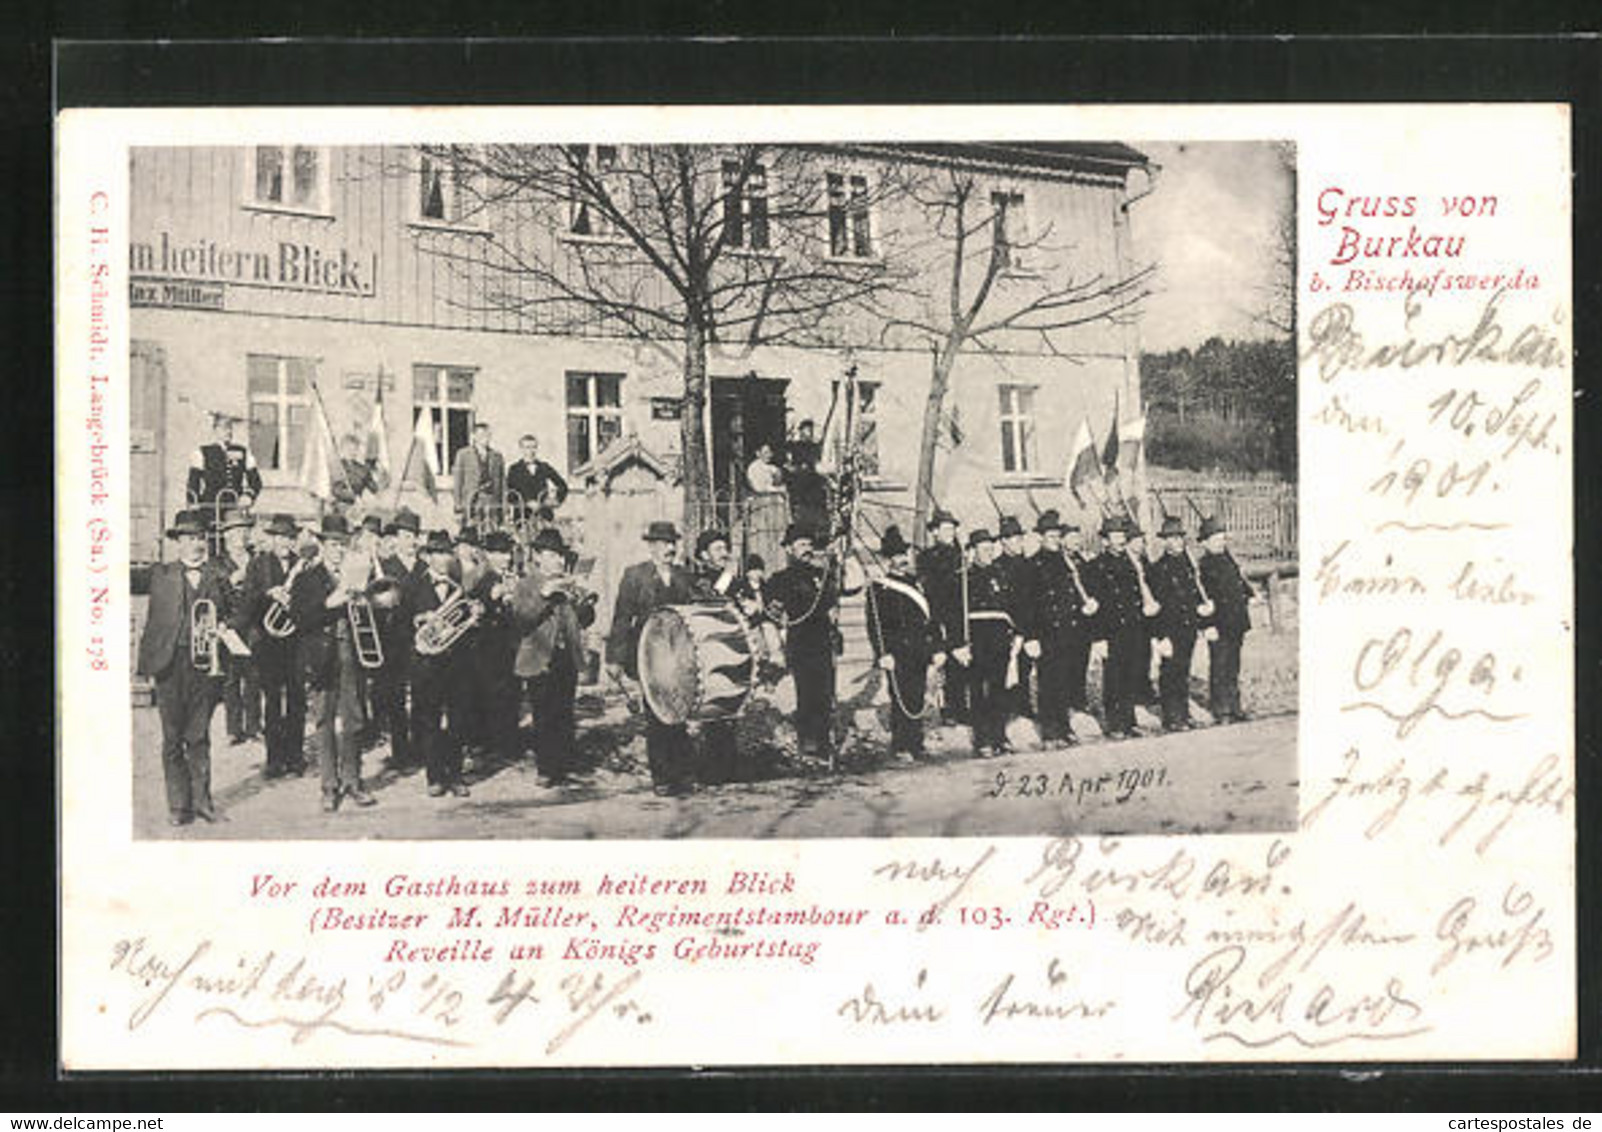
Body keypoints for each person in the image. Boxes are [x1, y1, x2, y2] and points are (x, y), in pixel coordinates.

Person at [137, 510, 232, 826]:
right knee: (171, 737)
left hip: (203, 664)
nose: (196, 543)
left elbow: (236, 612)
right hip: (169, 664)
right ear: (178, 543)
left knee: (199, 735)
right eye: (189, 538)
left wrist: (225, 626)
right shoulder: (160, 574)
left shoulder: (217, 575)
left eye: (200, 537)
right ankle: (179, 806)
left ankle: (203, 802)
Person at [290, 514, 376, 812]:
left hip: (352, 654)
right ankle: (329, 786)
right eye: (332, 544)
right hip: (321, 656)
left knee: (353, 719)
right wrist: (329, 603)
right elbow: (299, 619)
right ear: (322, 545)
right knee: (324, 720)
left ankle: (353, 781)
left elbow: (373, 616)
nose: (338, 550)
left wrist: (367, 605)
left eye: (342, 544)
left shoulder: (359, 577)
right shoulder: (306, 579)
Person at [606, 521, 698, 794]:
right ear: (652, 546)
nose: (669, 548)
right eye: (663, 543)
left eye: (672, 543)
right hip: (648, 654)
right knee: (657, 713)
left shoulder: (684, 576)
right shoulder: (635, 576)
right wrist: (614, 658)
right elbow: (622, 618)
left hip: (679, 652)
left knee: (679, 711)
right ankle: (662, 777)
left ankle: (682, 773)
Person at [512, 527, 596, 785]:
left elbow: (584, 621)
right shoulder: (526, 584)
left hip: (565, 656)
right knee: (544, 713)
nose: (558, 560)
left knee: (563, 711)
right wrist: (544, 595)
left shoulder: (566, 582)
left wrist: (585, 601)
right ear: (537, 556)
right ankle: (546, 769)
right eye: (551, 555)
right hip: (539, 656)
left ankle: (563, 765)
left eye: (559, 555)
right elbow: (522, 619)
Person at [234, 513, 308, 778]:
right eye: (280, 537)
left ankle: (296, 756)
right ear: (272, 539)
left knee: (298, 700)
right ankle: (275, 759)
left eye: (289, 538)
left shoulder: (303, 565)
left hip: (296, 641)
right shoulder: (258, 565)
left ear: (294, 540)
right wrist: (269, 594)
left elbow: (311, 602)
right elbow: (247, 602)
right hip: (268, 641)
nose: (285, 543)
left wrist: (296, 602)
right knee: (273, 701)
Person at [765, 523, 843, 763]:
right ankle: (808, 746)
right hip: (801, 644)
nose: (807, 549)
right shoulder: (781, 579)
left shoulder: (823, 575)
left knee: (826, 693)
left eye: (809, 544)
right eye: (801, 545)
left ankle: (823, 744)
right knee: (807, 695)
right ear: (789, 549)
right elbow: (772, 613)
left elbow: (841, 593)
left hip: (823, 643)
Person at [865, 526, 943, 762]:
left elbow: (931, 619)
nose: (902, 559)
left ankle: (916, 743)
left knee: (917, 696)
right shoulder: (879, 587)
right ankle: (900, 745)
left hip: (919, 648)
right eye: (896, 556)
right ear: (888, 560)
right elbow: (875, 625)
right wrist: (882, 653)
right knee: (900, 697)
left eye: (903, 555)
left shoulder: (917, 584)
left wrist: (937, 647)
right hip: (896, 652)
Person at [405, 529, 473, 798]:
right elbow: (401, 622)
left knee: (458, 720)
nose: (444, 559)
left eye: (447, 553)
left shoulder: (459, 583)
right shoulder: (413, 584)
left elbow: (465, 617)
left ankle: (455, 775)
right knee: (430, 721)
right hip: (427, 664)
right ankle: (434, 776)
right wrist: (419, 618)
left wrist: (474, 614)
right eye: (438, 553)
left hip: (457, 663)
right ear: (428, 556)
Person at [1030, 510, 1094, 747]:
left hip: (1069, 632)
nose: (1055, 540)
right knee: (1048, 682)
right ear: (1041, 538)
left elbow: (1073, 594)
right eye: (1050, 536)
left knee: (1065, 680)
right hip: (1046, 633)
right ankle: (1050, 731)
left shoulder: (1065, 563)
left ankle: (1064, 726)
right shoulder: (1033, 564)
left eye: (1058, 536)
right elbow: (1029, 604)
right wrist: (1031, 637)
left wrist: (1084, 607)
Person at [952, 528, 1014, 758]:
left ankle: (1000, 736)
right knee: (978, 690)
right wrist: (958, 644)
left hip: (999, 638)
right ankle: (982, 739)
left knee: (999, 689)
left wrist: (1015, 634)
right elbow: (953, 614)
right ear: (973, 551)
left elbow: (1011, 606)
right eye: (983, 549)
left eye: (991, 548)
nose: (988, 553)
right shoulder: (964, 578)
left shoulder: (1001, 574)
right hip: (976, 639)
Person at [1088, 514, 1147, 739]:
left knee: (1131, 675)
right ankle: (1114, 724)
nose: (1121, 540)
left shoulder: (1130, 563)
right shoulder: (1096, 566)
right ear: (1105, 540)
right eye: (1115, 536)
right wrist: (1098, 637)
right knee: (1113, 677)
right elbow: (1094, 606)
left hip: (1133, 629)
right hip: (1110, 632)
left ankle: (1129, 720)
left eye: (1122, 535)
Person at [1146, 516, 1207, 732]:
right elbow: (1156, 606)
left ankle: (1183, 712)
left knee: (1183, 670)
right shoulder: (1158, 568)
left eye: (1180, 538)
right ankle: (1171, 716)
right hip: (1169, 629)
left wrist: (1201, 616)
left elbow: (1194, 594)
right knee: (1170, 672)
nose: (1178, 542)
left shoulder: (1188, 565)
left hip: (1187, 626)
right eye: (1173, 538)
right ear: (1165, 542)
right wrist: (1160, 636)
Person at [373, 508, 422, 769]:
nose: (410, 541)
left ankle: (421, 747)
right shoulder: (387, 567)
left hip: (421, 640)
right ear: (397, 538)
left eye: (413, 535)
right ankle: (401, 753)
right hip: (394, 641)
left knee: (422, 695)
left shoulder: (425, 566)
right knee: (396, 698)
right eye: (405, 535)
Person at [473, 529, 525, 764]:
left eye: (507, 553)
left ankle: (505, 742)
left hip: (507, 646)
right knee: (493, 694)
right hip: (489, 646)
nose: (505, 558)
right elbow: (486, 597)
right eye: (500, 553)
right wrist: (503, 592)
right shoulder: (486, 578)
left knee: (510, 693)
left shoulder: (506, 577)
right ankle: (494, 744)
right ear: (489, 555)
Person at [1198, 515, 1255, 724]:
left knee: (1233, 665)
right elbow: (1201, 597)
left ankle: (1234, 706)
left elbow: (1240, 586)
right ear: (1205, 543)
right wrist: (1207, 625)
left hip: (1235, 622)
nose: (1221, 542)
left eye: (1222, 539)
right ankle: (1221, 709)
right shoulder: (1203, 566)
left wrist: (1249, 595)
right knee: (1219, 665)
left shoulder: (1228, 561)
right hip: (1219, 624)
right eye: (1215, 539)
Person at [214, 507, 261, 745]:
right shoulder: (218, 563)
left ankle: (254, 726)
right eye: (235, 532)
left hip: (254, 625)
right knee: (231, 679)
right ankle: (234, 729)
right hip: (230, 626)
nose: (241, 537)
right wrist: (232, 580)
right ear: (226, 536)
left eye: (244, 531)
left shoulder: (257, 559)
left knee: (253, 677)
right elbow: (213, 592)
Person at [918, 508, 966, 725]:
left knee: (961, 663)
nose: (950, 533)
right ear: (935, 532)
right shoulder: (927, 557)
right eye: (946, 529)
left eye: (952, 529)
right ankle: (945, 709)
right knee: (941, 660)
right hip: (938, 614)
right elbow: (930, 589)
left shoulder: (961, 555)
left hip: (960, 614)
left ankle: (960, 707)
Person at [996, 514, 1039, 723]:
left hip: (1029, 627)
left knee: (1025, 668)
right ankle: (1005, 710)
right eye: (1014, 539)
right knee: (1004, 671)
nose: (1019, 542)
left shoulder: (1029, 565)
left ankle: (1023, 706)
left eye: (1020, 538)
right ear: (1003, 541)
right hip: (1007, 629)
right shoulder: (997, 567)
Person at [187, 412, 262, 507]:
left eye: (230, 428)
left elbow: (256, 482)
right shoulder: (202, 453)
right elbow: (193, 484)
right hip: (210, 507)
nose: (228, 432)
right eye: (224, 428)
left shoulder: (243, 452)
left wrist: (248, 496)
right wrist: (195, 503)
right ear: (215, 430)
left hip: (235, 507)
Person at [505, 434, 569, 525]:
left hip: (544, 515)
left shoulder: (544, 467)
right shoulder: (514, 469)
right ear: (521, 449)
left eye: (533, 447)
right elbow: (510, 494)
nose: (531, 451)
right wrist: (526, 502)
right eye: (527, 447)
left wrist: (555, 500)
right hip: (523, 517)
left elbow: (563, 486)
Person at [452, 421, 506, 527]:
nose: (485, 438)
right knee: (472, 533)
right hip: (471, 502)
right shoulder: (463, 454)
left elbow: (502, 484)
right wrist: (458, 508)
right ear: (474, 436)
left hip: (491, 501)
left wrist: (503, 508)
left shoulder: (497, 456)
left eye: (488, 435)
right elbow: (458, 482)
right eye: (481, 435)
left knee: (491, 532)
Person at [783, 421, 830, 538]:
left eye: (810, 430)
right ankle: (802, 534)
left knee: (816, 507)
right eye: (805, 430)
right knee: (801, 510)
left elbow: (816, 463)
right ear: (800, 431)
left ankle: (818, 534)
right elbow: (788, 462)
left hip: (813, 482)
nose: (808, 433)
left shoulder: (815, 447)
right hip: (800, 483)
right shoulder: (794, 446)